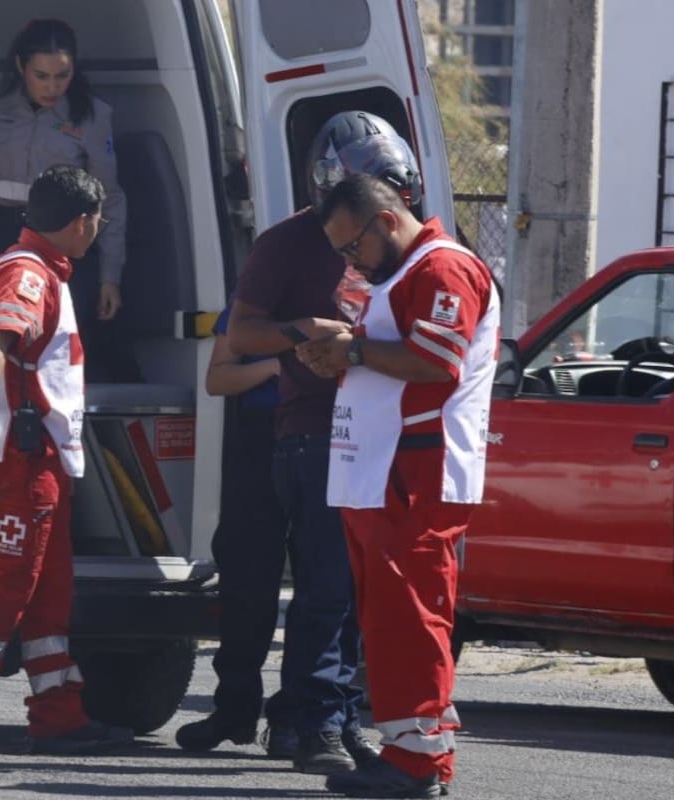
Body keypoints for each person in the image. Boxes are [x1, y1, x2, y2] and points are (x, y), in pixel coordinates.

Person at [226, 110, 422, 775]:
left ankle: (330, 716)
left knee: (361, 596)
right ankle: (315, 725)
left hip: (380, 436)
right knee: (327, 590)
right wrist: (301, 331)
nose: (381, 216)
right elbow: (239, 340)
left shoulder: (411, 249)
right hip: (313, 434)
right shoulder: (285, 245)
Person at [298, 174, 500, 799]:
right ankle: (411, 751)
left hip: (416, 469)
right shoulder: (402, 271)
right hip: (384, 467)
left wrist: (350, 352)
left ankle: (416, 763)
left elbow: (437, 362)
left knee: (410, 615)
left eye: (351, 245)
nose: (348, 259)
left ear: (386, 221)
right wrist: (340, 351)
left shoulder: (443, 269)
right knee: (390, 616)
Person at [0, 165, 133, 756]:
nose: (96, 232)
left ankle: (58, 712)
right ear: (82, 222)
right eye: (97, 222)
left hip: (41, 458)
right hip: (23, 460)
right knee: (6, 583)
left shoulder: (42, 270)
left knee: (47, 589)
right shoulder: (28, 274)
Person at [0, 18, 132, 381]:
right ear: (21, 67)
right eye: (42, 76)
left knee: (62, 337)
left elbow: (109, 196)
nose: (53, 87)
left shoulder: (93, 115)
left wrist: (109, 278)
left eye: (62, 76)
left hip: (60, 241)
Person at [175, 304, 296, 758]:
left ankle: (295, 719)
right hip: (259, 437)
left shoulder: (348, 292)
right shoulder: (252, 302)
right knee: (246, 581)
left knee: (320, 592)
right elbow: (218, 379)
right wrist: (274, 367)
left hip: (326, 436)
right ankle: (234, 710)